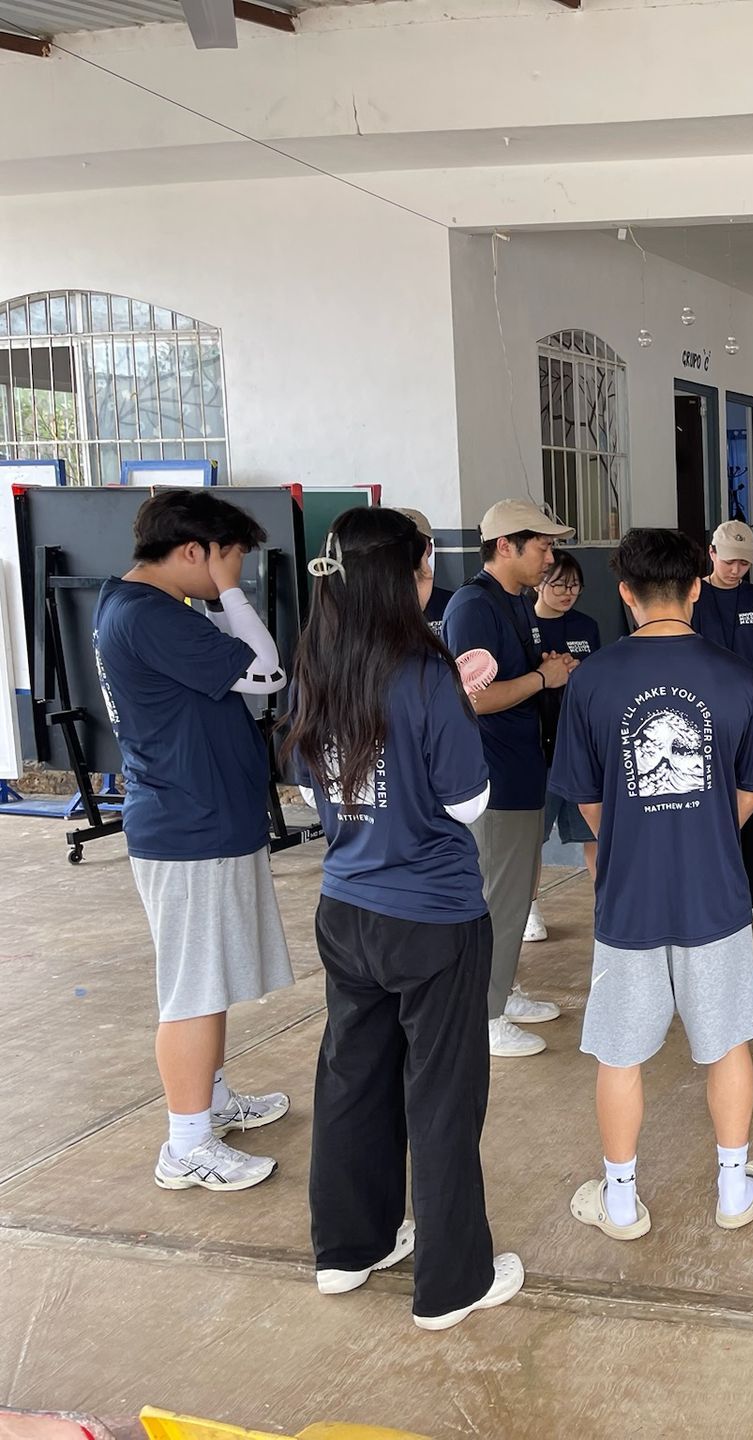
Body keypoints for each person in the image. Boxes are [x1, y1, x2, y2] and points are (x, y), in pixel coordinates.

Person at [284, 507, 521, 1332]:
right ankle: (453, 1283)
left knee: (351, 1080)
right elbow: (469, 801)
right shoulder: (426, 673)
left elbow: (310, 787)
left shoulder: (317, 662)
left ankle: (349, 1249)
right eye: (426, 567)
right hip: (432, 918)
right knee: (442, 1096)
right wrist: (459, 711)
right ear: (406, 577)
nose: (431, 581)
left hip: (346, 907)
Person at [550, 528, 753, 1243]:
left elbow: (589, 799)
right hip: (715, 891)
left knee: (619, 1052)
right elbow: (752, 789)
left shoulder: (593, 678)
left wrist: (631, 835)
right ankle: (733, 1189)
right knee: (727, 1042)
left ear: (625, 593)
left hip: (629, 896)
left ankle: (621, 1201)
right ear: (696, 588)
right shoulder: (735, 674)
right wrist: (707, 826)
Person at [93, 490, 295, 1192]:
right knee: (192, 991)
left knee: (208, 982)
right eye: (229, 558)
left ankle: (209, 1101)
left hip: (202, 818)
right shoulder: (148, 615)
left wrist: (219, 590)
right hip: (189, 826)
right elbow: (266, 673)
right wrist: (231, 593)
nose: (235, 573)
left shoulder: (147, 607)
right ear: (193, 551)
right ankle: (186, 1144)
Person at [440, 498, 576, 1058]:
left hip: (522, 769)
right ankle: (486, 1014)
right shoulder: (474, 607)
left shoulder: (514, 601)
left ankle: (502, 989)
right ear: (505, 545)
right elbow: (471, 698)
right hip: (494, 777)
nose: (550, 557)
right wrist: (544, 679)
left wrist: (546, 672)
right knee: (497, 898)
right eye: (542, 545)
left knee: (515, 895)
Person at [693, 519, 753, 924]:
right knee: (708, 802)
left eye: (744, 564)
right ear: (712, 554)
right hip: (703, 719)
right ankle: (708, 888)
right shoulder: (692, 598)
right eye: (729, 561)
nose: (736, 570)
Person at [524, 547, 602, 944]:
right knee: (532, 839)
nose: (568, 593)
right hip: (538, 747)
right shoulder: (524, 624)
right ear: (540, 584)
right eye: (559, 585)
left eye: (574, 586)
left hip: (580, 746)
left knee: (594, 832)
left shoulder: (587, 626)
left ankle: (606, 903)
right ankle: (529, 909)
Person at [396, 508, 455, 636]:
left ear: (429, 548)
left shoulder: (451, 603)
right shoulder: (371, 606)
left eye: (417, 543)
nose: (410, 550)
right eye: (401, 544)